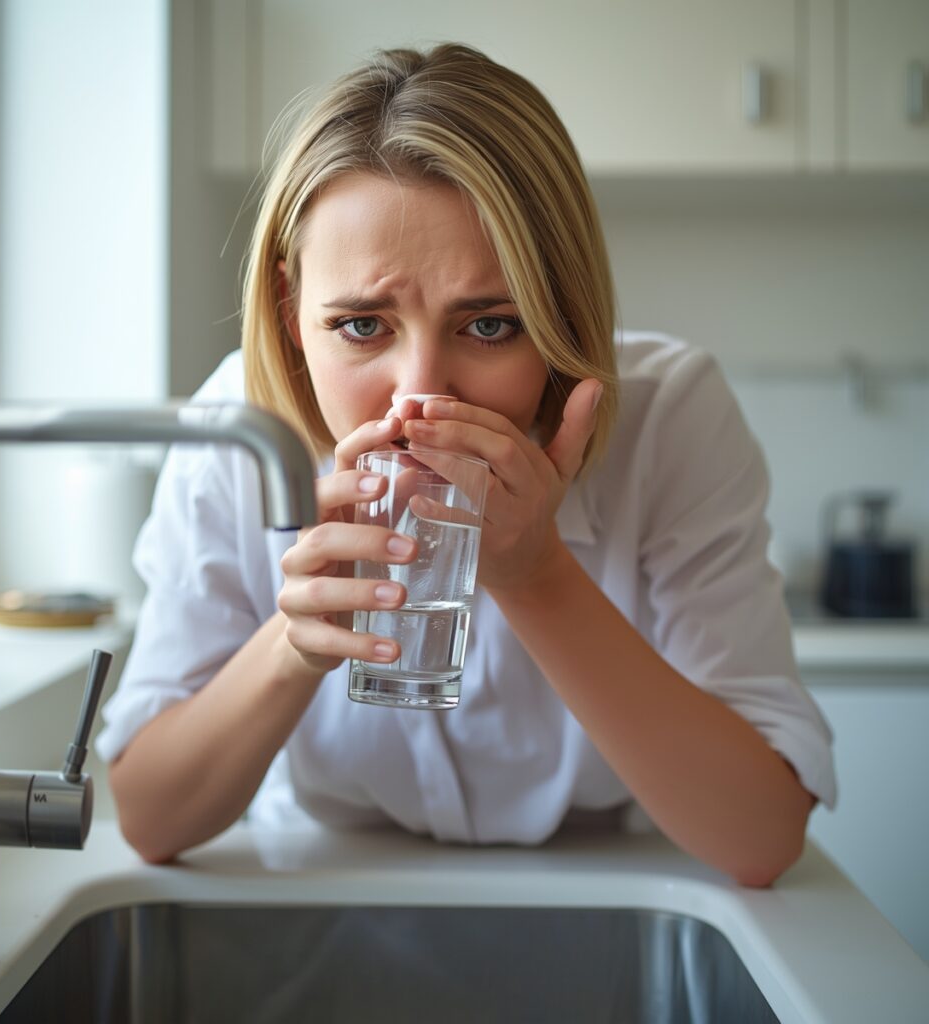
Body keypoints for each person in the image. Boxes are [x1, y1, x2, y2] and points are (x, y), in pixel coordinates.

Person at [98, 43, 836, 884]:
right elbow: (151, 817)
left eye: (488, 326)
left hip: (605, 894)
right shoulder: (238, 437)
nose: (417, 398)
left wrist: (537, 575)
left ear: (561, 314)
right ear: (290, 310)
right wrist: (292, 647)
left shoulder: (671, 420)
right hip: (324, 898)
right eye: (362, 326)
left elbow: (763, 838)